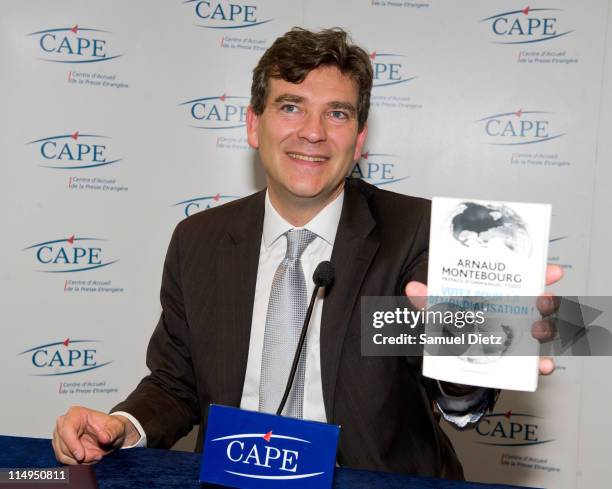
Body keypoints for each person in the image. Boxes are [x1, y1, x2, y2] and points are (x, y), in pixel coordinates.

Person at [52, 27, 560, 479]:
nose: (313, 132)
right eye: (291, 106)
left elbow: (447, 380)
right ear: (254, 125)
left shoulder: (420, 231)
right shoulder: (198, 239)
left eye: (336, 113)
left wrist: (479, 351)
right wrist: (121, 425)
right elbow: (175, 381)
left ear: (359, 138)